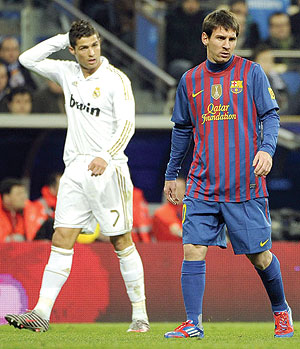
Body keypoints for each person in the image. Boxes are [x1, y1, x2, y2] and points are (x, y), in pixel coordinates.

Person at [5, 20, 149, 333]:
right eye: (83, 47)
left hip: (109, 169)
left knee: (121, 240)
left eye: (94, 45)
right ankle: (41, 312)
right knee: (62, 238)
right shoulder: (67, 72)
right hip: (75, 170)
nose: (91, 52)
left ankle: (140, 315)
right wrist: (60, 38)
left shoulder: (116, 80)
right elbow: (27, 60)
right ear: (73, 50)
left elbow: (127, 125)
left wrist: (106, 156)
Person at [163, 9, 294, 339]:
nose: (227, 45)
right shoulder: (190, 80)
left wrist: (266, 149)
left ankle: (281, 311)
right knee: (193, 248)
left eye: (232, 39)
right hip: (202, 184)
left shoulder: (251, 73)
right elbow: (182, 130)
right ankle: (193, 323)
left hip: (244, 186)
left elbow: (271, 117)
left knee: (260, 256)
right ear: (205, 39)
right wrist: (171, 173)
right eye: (220, 38)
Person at [165, 0, 207, 80]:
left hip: (199, 62)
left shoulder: (203, 21)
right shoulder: (173, 19)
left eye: (194, 2)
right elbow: (171, 47)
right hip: (178, 60)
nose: (191, 5)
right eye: (188, 2)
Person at [0, 178, 45, 242]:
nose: (24, 197)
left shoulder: (24, 211)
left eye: (24, 193)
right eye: (19, 194)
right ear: (6, 197)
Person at [252, 44, 290, 115]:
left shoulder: (275, 79)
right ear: (254, 62)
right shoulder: (249, 81)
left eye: (271, 61)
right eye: (265, 61)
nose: (269, 65)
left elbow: (284, 102)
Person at [152, 177, 186, 241]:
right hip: (167, 249)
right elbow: (177, 230)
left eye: (181, 189)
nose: (178, 193)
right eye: (174, 189)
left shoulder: (193, 211)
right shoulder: (161, 213)